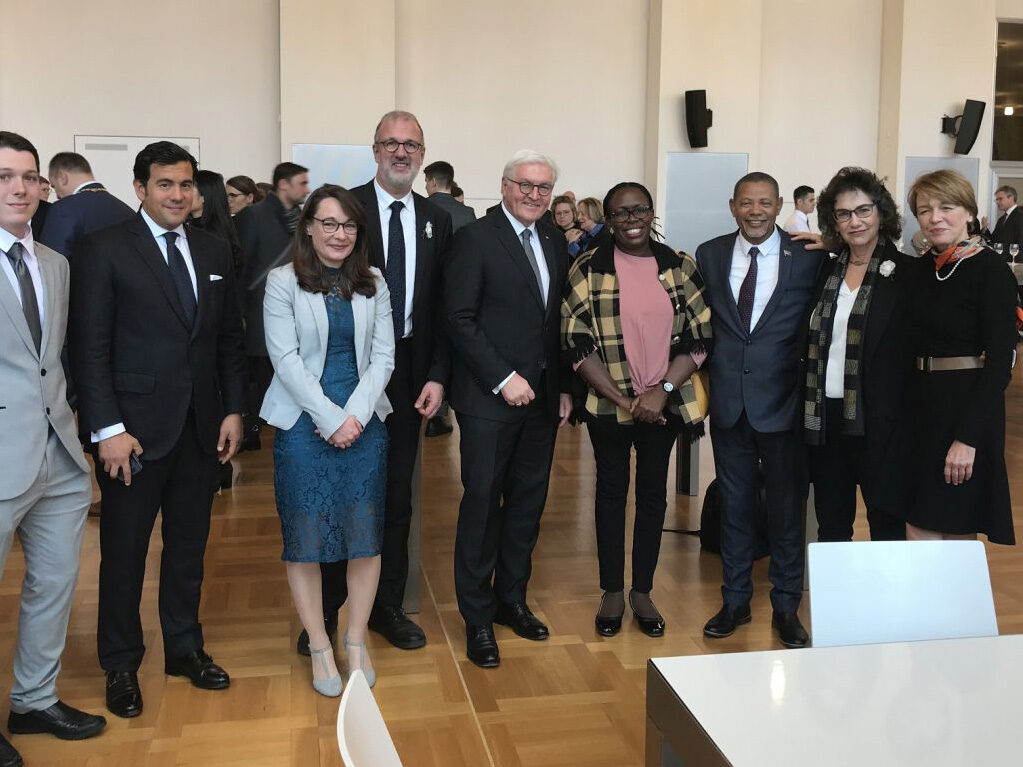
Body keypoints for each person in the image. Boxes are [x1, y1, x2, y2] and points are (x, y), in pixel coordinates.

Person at [70, 141, 247, 719]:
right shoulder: (104, 248)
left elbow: (228, 339)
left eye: (185, 184)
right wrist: (107, 429)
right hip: (132, 436)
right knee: (124, 553)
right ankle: (121, 663)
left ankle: (184, 648)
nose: (177, 195)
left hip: (201, 429)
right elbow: (89, 347)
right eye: (165, 184)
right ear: (140, 188)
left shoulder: (214, 248)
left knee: (189, 549)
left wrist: (232, 409)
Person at [303, 110, 453, 655]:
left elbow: (445, 306)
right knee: (337, 492)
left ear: (422, 153)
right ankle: (324, 613)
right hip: (345, 370)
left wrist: (438, 374)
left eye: (411, 144)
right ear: (375, 150)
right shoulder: (348, 212)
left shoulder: (439, 219)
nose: (401, 152)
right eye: (391, 143)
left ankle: (386, 606)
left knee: (395, 495)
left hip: (410, 372)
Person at [562, 181, 712, 638]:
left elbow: (700, 335)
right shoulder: (588, 268)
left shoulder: (679, 265)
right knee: (610, 495)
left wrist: (661, 390)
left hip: (663, 405)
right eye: (621, 213)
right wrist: (624, 399)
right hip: (608, 408)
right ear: (608, 220)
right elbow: (575, 339)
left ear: (651, 213)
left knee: (651, 496)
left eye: (639, 210)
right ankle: (611, 590)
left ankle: (642, 591)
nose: (631, 220)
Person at [261, 185, 394, 696]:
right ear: (310, 227)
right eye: (329, 223)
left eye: (349, 225)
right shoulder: (283, 281)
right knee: (306, 539)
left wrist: (353, 417)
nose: (340, 234)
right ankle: (319, 642)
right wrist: (328, 418)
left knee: (365, 535)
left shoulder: (374, 281)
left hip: (363, 421)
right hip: (302, 423)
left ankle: (355, 638)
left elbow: (383, 357)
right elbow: (285, 359)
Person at [0, 131, 106, 767]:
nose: (19, 188)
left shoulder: (55, 263)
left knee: (55, 585)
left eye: (29, 177)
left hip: (58, 455)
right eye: (4, 176)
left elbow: (55, 359)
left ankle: (34, 700)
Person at [445, 150, 572, 668]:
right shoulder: (475, 238)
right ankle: (477, 617)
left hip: (542, 400)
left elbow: (555, 322)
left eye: (544, 188)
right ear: (504, 186)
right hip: (488, 400)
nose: (534, 195)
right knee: (482, 506)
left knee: (527, 504)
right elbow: (458, 318)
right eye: (526, 185)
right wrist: (503, 378)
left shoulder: (554, 239)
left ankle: (511, 600)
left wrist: (562, 387)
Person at [695, 171, 824, 649]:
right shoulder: (709, 254)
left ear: (779, 205)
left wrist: (831, 240)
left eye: (765, 203)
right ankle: (735, 600)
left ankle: (786, 607)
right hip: (729, 405)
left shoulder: (808, 256)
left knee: (787, 510)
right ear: (733, 206)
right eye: (746, 203)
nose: (755, 211)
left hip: (785, 404)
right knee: (735, 507)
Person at [901, 169, 1017, 544]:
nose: (934, 218)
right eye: (924, 210)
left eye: (946, 207)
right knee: (918, 524)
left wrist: (968, 438)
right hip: (922, 412)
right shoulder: (920, 269)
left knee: (957, 527)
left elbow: (1000, 363)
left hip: (966, 413)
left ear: (969, 212)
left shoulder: (990, 270)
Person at [803, 167, 911, 543]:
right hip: (826, 420)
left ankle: (886, 587)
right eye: (844, 214)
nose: (855, 221)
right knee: (832, 527)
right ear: (834, 221)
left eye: (864, 210)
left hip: (882, 422)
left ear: (881, 213)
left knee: (887, 527)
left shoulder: (907, 275)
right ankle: (837, 587)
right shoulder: (824, 270)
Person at [235, 162, 309, 450]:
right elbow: (241, 266)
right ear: (284, 185)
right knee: (258, 375)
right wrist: (241, 311)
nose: (306, 189)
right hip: (259, 309)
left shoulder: (300, 218)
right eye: (301, 183)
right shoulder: (253, 216)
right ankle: (252, 429)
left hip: (296, 308)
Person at [39, 152, 134, 263]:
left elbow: (52, 264)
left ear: (62, 177)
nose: (58, 196)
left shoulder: (64, 209)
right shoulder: (127, 211)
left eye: (54, 186)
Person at [424, 160, 476, 232]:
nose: (426, 187)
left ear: (433, 182)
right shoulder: (468, 213)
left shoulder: (420, 207)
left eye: (426, 182)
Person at [982, 185, 1023, 252]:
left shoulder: (1020, 216)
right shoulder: (1001, 219)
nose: (997, 202)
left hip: (1014, 258)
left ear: (1011, 198)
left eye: (1000, 199)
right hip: (999, 257)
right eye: (996, 199)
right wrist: (984, 227)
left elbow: (1020, 244)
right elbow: (993, 241)